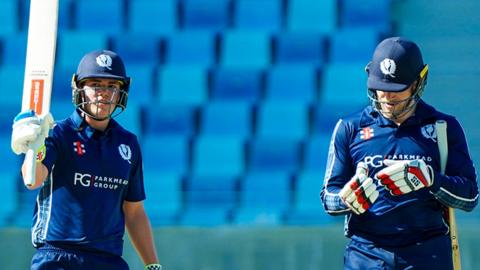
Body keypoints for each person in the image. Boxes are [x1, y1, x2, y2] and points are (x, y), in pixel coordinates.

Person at [320, 37, 478, 269]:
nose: (386, 97)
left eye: (396, 89)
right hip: (366, 254)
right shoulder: (350, 127)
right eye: (380, 87)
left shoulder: (443, 128)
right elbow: (328, 199)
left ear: (418, 82)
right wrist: (346, 198)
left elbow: (470, 197)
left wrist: (431, 180)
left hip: (428, 253)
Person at [11, 50, 163, 270]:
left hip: (108, 261)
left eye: (112, 86)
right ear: (80, 90)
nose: (103, 93)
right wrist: (33, 147)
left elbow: (135, 212)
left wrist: (153, 266)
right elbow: (31, 179)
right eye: (95, 85)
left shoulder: (128, 144)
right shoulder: (58, 134)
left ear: (121, 92)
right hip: (58, 258)